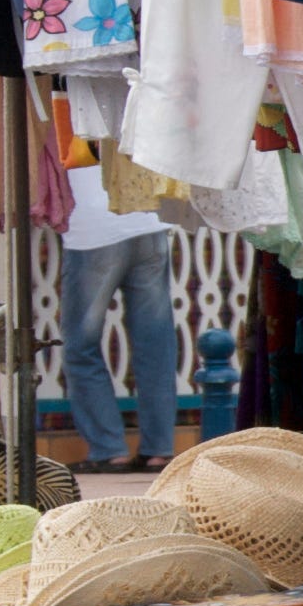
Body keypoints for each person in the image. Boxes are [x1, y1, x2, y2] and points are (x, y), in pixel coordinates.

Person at [56, 193, 180, 471]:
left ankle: (109, 449)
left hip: (92, 229)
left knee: (80, 346)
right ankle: (159, 450)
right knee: (156, 345)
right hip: (149, 220)